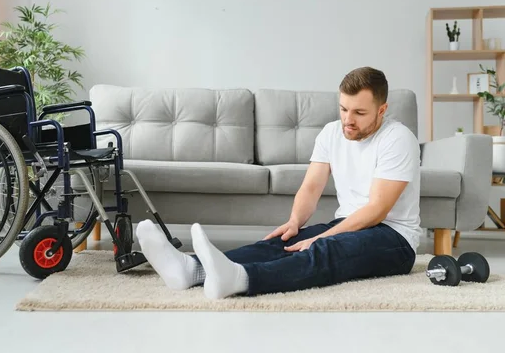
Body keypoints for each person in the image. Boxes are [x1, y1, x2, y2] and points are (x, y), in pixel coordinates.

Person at [135, 66, 422, 299]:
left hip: (394, 239)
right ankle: (191, 269)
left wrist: (321, 237)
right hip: (348, 223)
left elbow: (377, 210)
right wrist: (296, 221)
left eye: (359, 113)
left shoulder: (398, 139)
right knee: (283, 242)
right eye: (344, 109)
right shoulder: (332, 132)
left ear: (382, 110)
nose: (348, 119)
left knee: (322, 249)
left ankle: (241, 279)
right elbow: (311, 187)